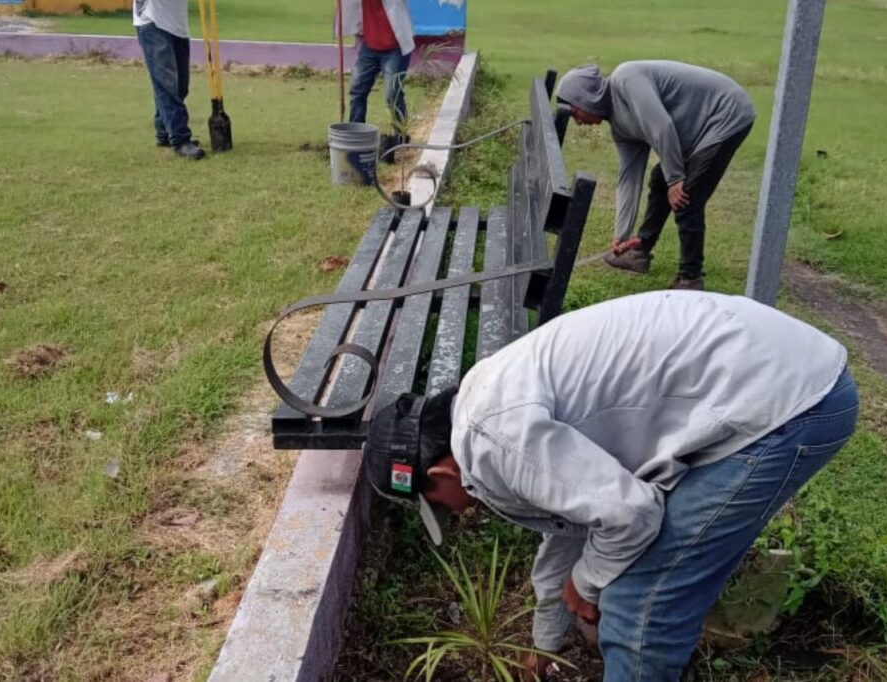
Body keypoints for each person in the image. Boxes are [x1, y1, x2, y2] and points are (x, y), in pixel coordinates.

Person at [365, 291, 859, 682]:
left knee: (636, 603)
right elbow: (572, 526)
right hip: (773, 372)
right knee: (632, 582)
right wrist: (545, 643)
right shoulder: (481, 404)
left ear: (440, 475)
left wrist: (587, 583)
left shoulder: (493, 439)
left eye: (438, 506)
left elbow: (632, 515)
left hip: (786, 404)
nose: (456, 513)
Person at [555, 62, 755, 290]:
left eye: (575, 113)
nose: (578, 122)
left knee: (686, 197)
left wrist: (676, 179)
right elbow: (628, 179)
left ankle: (691, 278)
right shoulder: (620, 128)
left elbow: (661, 127)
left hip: (726, 112)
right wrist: (621, 235)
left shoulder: (626, 79)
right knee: (659, 181)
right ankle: (638, 252)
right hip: (697, 130)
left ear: (585, 97)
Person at [340, 0, 415, 163]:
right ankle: (356, 134)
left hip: (395, 48)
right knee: (357, 89)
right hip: (370, 46)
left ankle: (400, 136)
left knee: (392, 94)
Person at [133, 0, 205, 160]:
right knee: (167, 85)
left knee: (180, 86)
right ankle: (180, 139)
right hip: (152, 22)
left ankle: (164, 131)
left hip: (177, 25)